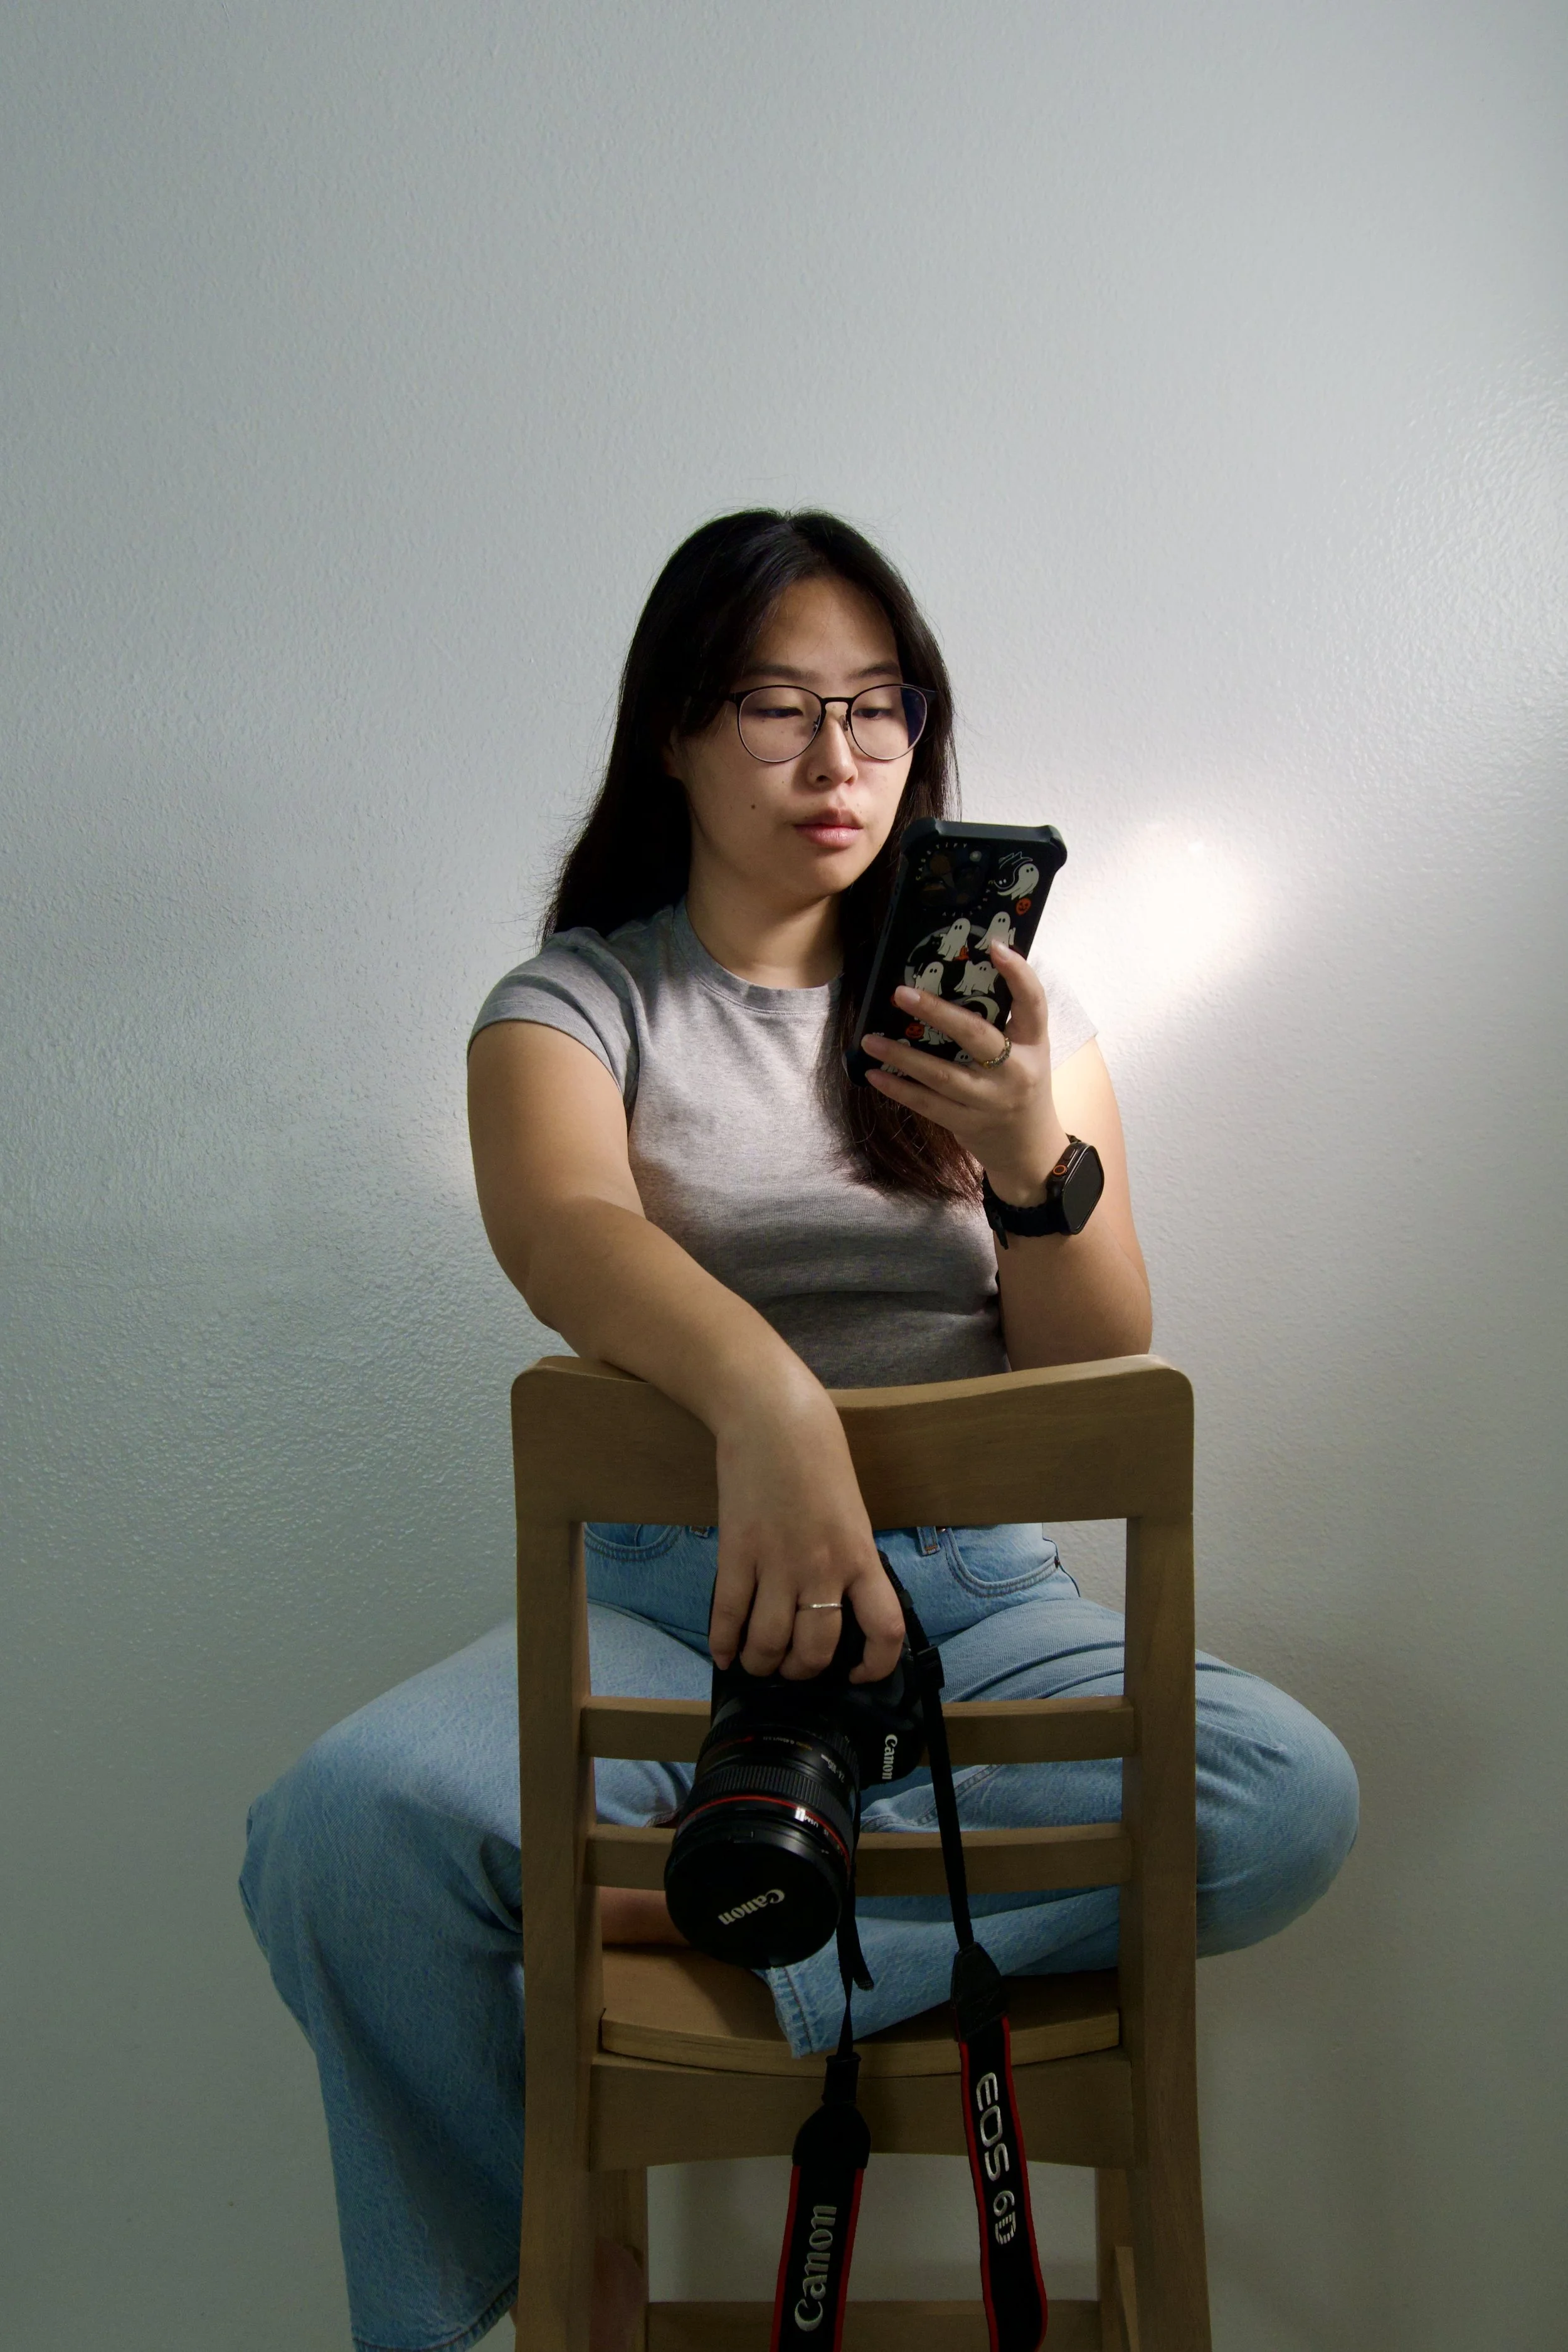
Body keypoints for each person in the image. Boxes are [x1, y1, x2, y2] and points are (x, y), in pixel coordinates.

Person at [241, 510, 1358, 2352]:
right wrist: (770, 1408)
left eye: (878, 708)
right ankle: (522, 2286)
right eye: (775, 707)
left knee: (1279, 1795)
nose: (836, 761)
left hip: (974, 1605)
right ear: (672, 730)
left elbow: (1089, 1363)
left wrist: (1028, 1159)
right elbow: (566, 1237)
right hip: (678, 1594)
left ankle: (721, 1891)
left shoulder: (1001, 1023)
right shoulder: (573, 1003)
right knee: (345, 1833)